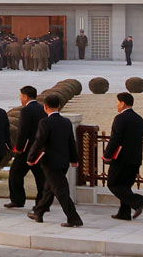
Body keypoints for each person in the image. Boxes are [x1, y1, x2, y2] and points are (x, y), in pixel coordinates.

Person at [28, 92, 83, 226]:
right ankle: (39, 212)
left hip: (50, 162)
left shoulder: (45, 122)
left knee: (61, 191)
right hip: (63, 161)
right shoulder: (66, 122)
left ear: (45, 107)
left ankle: (74, 218)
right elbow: (71, 142)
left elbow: (39, 141)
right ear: (58, 106)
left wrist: (31, 157)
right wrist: (74, 159)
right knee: (49, 188)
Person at [107, 92, 143, 219]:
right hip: (136, 158)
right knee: (125, 185)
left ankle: (138, 201)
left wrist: (107, 155)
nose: (116, 105)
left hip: (121, 158)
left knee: (113, 183)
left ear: (123, 103)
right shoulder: (139, 119)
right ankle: (124, 213)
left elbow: (115, 139)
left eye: (117, 102)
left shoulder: (120, 118)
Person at [6, 86, 46, 209]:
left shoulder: (26, 110)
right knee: (41, 177)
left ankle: (17, 200)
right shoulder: (43, 108)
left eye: (21, 96)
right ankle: (43, 202)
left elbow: (23, 131)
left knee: (15, 174)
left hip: (27, 150)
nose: (20, 99)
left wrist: (19, 148)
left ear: (26, 97)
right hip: (40, 149)